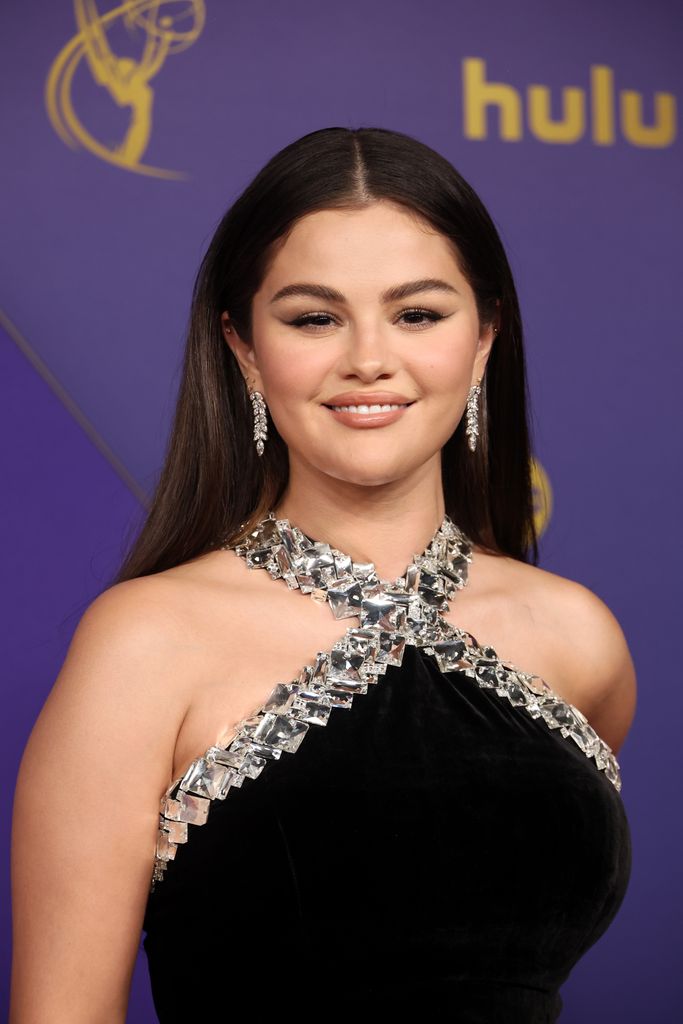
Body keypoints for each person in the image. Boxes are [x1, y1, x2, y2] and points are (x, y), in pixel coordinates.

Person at [10, 126, 635, 1022]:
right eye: (314, 317)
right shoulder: (145, 641)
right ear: (243, 347)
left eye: (418, 313)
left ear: (485, 337)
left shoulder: (578, 637)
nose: (368, 357)